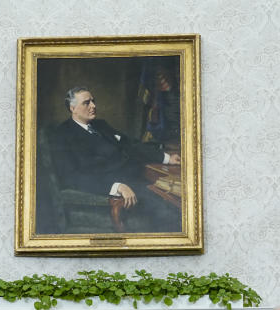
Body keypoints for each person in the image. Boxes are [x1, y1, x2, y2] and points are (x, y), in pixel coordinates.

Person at [50, 86, 182, 232]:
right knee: (170, 212)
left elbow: (130, 145)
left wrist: (166, 158)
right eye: (86, 103)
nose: (93, 106)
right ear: (72, 108)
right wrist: (116, 186)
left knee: (177, 198)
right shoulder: (62, 135)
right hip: (112, 189)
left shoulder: (101, 125)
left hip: (137, 178)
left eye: (93, 101)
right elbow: (72, 177)